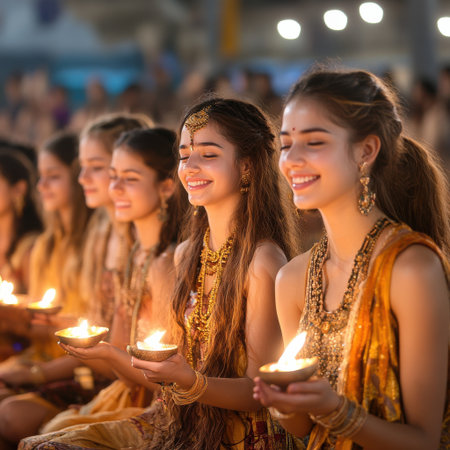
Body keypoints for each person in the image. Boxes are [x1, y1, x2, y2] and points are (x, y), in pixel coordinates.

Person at [20, 97, 301, 449]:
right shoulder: (185, 254)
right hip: (173, 417)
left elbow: (258, 392)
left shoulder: (262, 261)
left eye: (208, 155)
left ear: (246, 166)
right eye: (184, 156)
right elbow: (165, 372)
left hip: (237, 435)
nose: (191, 167)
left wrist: (190, 381)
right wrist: (110, 354)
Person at [253, 67, 449, 450]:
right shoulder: (292, 278)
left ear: (366, 151)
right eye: (286, 143)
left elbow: (425, 441)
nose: (292, 160)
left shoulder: (410, 269)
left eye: (314, 143)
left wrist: (336, 411)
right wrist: (283, 403)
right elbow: (301, 430)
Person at [20, 127, 186, 448]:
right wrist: (93, 348)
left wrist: (105, 353)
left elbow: (163, 381)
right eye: (113, 176)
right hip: (125, 389)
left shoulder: (167, 263)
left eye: (130, 178)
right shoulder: (135, 255)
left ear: (166, 187)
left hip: (161, 406)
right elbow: (122, 356)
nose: (115, 188)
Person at [0, 115, 154, 445]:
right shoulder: (102, 235)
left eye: (97, 168)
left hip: (115, 382)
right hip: (97, 369)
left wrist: (34, 364)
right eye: (83, 168)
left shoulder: (146, 250)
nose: (85, 178)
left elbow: (110, 340)